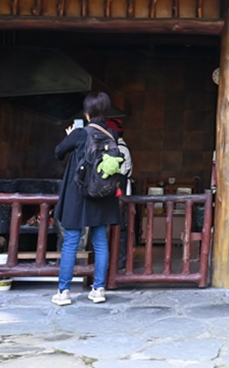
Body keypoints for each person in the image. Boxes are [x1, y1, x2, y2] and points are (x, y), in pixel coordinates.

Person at [52, 91, 121, 306]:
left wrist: (70, 135)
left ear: (87, 113)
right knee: (100, 242)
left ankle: (64, 292)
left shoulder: (80, 133)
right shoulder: (112, 135)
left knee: (71, 241)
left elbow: (58, 152)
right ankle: (98, 289)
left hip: (78, 194)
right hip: (102, 194)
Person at [106, 117, 134, 270]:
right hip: (115, 192)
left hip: (120, 192)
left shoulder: (120, 149)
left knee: (120, 227)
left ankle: (120, 260)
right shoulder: (116, 147)